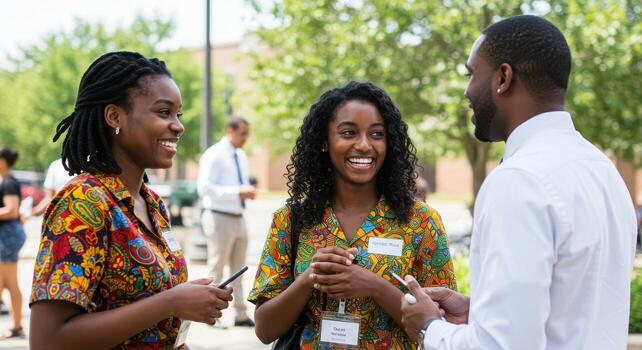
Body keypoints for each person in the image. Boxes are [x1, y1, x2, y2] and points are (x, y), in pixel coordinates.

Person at [400, 15, 638, 349]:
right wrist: (478, 310)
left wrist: (428, 328)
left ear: (503, 78)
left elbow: (501, 346)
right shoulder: (602, 170)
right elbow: (571, 308)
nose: (467, 92)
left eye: (472, 75)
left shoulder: (517, 181)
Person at [29, 51, 233, 350]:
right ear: (115, 116)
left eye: (179, 114)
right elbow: (48, 341)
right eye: (164, 112)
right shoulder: (83, 202)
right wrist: (172, 302)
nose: (178, 126)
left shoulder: (151, 202)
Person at [249, 81, 457, 349]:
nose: (363, 145)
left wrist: (376, 287)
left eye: (376, 134)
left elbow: (442, 327)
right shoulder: (291, 219)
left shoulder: (421, 222)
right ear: (325, 141)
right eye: (348, 133)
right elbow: (265, 330)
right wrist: (309, 278)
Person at [197, 117, 256, 327]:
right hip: (218, 216)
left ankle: (240, 314)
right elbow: (204, 188)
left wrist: (245, 191)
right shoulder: (214, 154)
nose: (245, 139)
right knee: (217, 268)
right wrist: (237, 191)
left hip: (239, 217)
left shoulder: (240, 155)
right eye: (242, 134)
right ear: (230, 130)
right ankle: (211, 315)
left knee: (239, 269)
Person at [0, 147, 27, 339]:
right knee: (8, 283)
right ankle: (16, 326)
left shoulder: (8, 183)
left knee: (7, 282)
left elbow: (11, 210)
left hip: (7, 235)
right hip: (8, 235)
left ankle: (17, 326)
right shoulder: (7, 181)